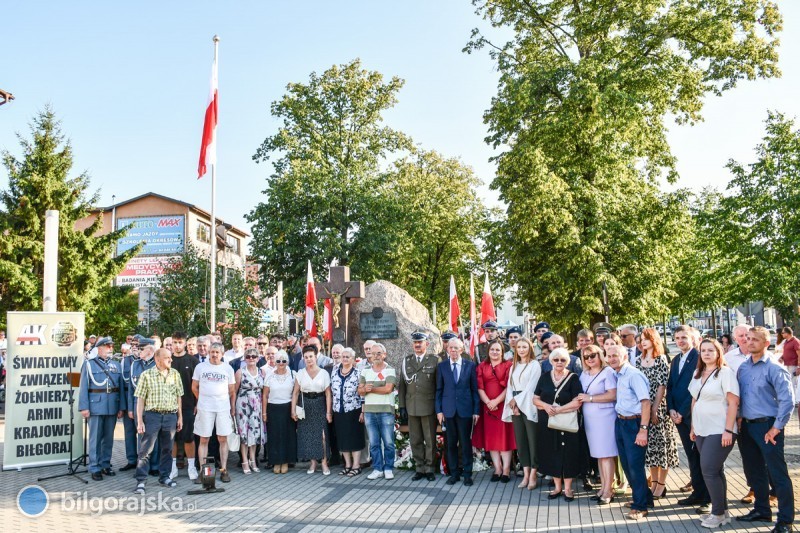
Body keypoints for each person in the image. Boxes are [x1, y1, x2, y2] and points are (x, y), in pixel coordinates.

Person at [736, 326, 795, 532]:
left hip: (768, 427)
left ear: (766, 343)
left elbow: (788, 402)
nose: (750, 342)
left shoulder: (774, 368)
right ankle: (762, 510)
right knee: (755, 472)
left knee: (778, 474)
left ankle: (786, 521)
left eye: (755, 340)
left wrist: (776, 428)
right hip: (747, 427)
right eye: (748, 338)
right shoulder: (743, 367)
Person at [688, 339, 740, 529]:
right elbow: (694, 401)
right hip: (701, 429)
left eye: (711, 350)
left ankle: (716, 513)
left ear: (718, 352)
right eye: (703, 350)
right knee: (716, 470)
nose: (706, 353)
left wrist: (728, 429)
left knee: (708, 470)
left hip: (720, 429)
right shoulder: (697, 373)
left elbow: (733, 403)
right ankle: (723, 512)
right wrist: (693, 427)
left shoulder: (725, 373)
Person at [606, 345, 653, 520]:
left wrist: (643, 430)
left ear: (625, 356)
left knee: (635, 466)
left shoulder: (633, 375)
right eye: (609, 356)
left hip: (635, 423)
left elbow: (646, 403)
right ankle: (644, 498)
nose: (611, 359)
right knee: (626, 464)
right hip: (621, 422)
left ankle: (640, 507)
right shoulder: (617, 374)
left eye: (615, 355)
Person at [668, 325, 711, 512]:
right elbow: (670, 386)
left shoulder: (699, 358)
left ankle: (709, 498)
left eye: (684, 337)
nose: (680, 341)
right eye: (677, 338)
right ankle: (697, 492)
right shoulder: (676, 359)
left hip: (694, 416)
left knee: (704, 457)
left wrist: (683, 411)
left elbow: (695, 389)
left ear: (693, 339)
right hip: (678, 416)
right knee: (692, 456)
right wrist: (671, 409)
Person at [533, 347, 585, 501]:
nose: (559, 362)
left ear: (568, 362)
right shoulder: (544, 377)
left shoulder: (573, 378)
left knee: (568, 454)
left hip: (567, 422)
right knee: (552, 453)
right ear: (551, 361)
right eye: (556, 359)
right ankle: (557, 487)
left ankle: (568, 489)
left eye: (563, 360)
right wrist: (546, 406)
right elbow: (535, 399)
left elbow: (577, 402)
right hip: (548, 422)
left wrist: (559, 409)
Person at [133, 348, 184, 494]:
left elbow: (178, 397)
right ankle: (141, 481)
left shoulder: (175, 374)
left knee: (167, 449)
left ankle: (165, 477)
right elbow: (140, 399)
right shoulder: (146, 375)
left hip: (170, 416)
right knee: (146, 450)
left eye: (170, 357)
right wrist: (140, 421)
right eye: (167, 357)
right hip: (152, 416)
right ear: (157, 359)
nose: (171, 360)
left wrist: (179, 417)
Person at [636, 328, 678, 499]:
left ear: (654, 340)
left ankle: (661, 484)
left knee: (662, 448)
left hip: (659, 408)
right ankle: (653, 482)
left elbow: (662, 386)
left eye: (646, 339)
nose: (643, 342)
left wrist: (655, 409)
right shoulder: (638, 360)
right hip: (643, 407)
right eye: (641, 339)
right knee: (650, 450)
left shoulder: (661, 359)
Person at [78, 337, 125, 480]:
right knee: (95, 438)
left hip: (112, 406)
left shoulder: (117, 365)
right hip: (95, 406)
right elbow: (83, 387)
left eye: (111, 346)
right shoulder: (89, 365)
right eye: (107, 346)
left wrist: (121, 407)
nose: (110, 348)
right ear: (99, 348)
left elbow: (121, 388)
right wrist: (84, 407)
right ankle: (94, 467)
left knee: (108, 439)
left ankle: (105, 464)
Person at [436, 338, 480, 486]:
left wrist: (476, 411)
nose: (453, 350)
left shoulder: (470, 366)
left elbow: (474, 390)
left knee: (465, 444)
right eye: (450, 348)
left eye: (456, 348)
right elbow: (439, 390)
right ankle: (454, 473)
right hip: (448, 411)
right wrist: (439, 410)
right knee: (451, 444)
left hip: (465, 411)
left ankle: (467, 474)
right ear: (447, 350)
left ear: (461, 350)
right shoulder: (442, 366)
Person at [577, 344, 618, 505]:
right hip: (590, 419)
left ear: (599, 355)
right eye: (586, 357)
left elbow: (612, 394)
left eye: (592, 355)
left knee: (607, 454)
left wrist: (591, 399)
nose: (589, 359)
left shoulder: (608, 372)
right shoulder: (585, 373)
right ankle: (603, 487)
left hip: (605, 416)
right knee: (599, 455)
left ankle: (609, 490)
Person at [398, 331, 440, 481]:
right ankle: (419, 467)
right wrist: (402, 406)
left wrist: (438, 407)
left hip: (428, 406)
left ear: (426, 344)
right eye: (415, 342)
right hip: (412, 407)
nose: (417, 345)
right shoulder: (407, 361)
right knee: (415, 440)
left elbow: (438, 386)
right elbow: (402, 385)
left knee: (430, 440)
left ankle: (429, 468)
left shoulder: (435, 360)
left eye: (420, 342)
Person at [192, 342, 236, 483]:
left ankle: (223, 470)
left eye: (217, 352)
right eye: (212, 352)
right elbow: (194, 387)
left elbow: (232, 390)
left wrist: (228, 404)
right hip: (205, 408)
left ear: (222, 354)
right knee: (204, 439)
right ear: (209, 353)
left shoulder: (228, 368)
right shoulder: (200, 367)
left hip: (223, 408)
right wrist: (203, 399)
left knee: (222, 439)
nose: (214, 354)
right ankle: (202, 472)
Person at [502, 336, 542, 489]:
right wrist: (513, 403)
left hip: (528, 405)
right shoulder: (514, 365)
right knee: (521, 441)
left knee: (532, 441)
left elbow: (531, 387)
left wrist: (517, 401)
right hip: (515, 406)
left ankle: (533, 474)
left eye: (525, 347)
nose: (522, 350)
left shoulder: (534, 365)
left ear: (529, 348)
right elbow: (510, 386)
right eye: (519, 347)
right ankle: (525, 474)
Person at [473, 339, 516, 482]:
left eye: (498, 350)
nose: (495, 352)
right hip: (487, 408)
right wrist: (488, 402)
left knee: (504, 439)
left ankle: (506, 469)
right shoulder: (481, 366)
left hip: (503, 406)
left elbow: (509, 387)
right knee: (491, 440)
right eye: (492, 349)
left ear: (502, 352)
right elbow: (480, 387)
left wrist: (496, 401)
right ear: (488, 351)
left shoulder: (508, 365)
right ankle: (497, 469)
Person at [358, 342, 397, 480]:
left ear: (384, 355)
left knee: (388, 442)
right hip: (369, 412)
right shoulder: (365, 371)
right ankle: (377, 468)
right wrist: (365, 389)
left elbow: (388, 389)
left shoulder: (390, 370)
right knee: (374, 443)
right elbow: (360, 391)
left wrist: (371, 389)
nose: (376, 356)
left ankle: (388, 468)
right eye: (373, 353)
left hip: (386, 411)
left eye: (378, 353)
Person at [292, 344, 333, 475]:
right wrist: (293, 410)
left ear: (316, 357)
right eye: (306, 357)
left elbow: (328, 394)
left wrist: (328, 412)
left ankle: (324, 462)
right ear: (303, 358)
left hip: (320, 404)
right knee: (308, 435)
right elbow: (295, 393)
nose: (309, 359)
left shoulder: (324, 373)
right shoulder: (300, 373)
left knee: (322, 435)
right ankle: (313, 463)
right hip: (305, 404)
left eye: (311, 356)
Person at [170, 331, 199, 481]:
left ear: (185, 343)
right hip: (169, 406)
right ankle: (173, 467)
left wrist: (197, 403)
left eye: (180, 342)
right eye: (175, 342)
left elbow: (198, 385)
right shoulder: (168, 360)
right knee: (172, 438)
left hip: (188, 405)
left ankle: (192, 467)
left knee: (189, 438)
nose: (177, 345)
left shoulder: (193, 361)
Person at [127, 344, 160, 476]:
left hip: (153, 405)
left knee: (154, 437)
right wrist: (130, 408)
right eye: (138, 348)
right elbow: (130, 388)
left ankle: (155, 466)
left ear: (150, 350)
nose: (139, 351)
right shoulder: (135, 364)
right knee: (141, 437)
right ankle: (142, 467)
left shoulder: (157, 364)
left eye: (142, 349)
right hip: (138, 405)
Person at [331, 347, 365, 476]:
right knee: (343, 438)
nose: (344, 359)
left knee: (354, 437)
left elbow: (362, 395)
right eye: (343, 356)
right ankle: (347, 464)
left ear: (352, 359)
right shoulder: (334, 372)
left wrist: (363, 411)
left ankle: (356, 466)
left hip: (354, 410)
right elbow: (332, 392)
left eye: (347, 357)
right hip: (338, 411)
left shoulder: (358, 373)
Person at [262, 351, 297, 474]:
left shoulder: (293, 374)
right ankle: (276, 462)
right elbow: (265, 395)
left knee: (288, 435)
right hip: (273, 408)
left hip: (288, 408)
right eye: (278, 361)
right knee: (274, 436)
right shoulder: (269, 375)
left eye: (283, 361)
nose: (281, 363)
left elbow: (296, 393)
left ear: (287, 362)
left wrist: (293, 410)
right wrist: (264, 413)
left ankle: (286, 461)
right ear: (275, 362)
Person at [235, 348, 265, 474]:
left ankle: (253, 459)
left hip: (257, 405)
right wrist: (232, 408)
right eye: (248, 356)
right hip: (243, 405)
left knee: (254, 433)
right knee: (243, 434)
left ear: (258, 358)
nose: (251, 358)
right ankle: (244, 461)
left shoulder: (262, 372)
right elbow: (233, 391)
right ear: (245, 359)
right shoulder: (240, 372)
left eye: (253, 356)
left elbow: (264, 391)